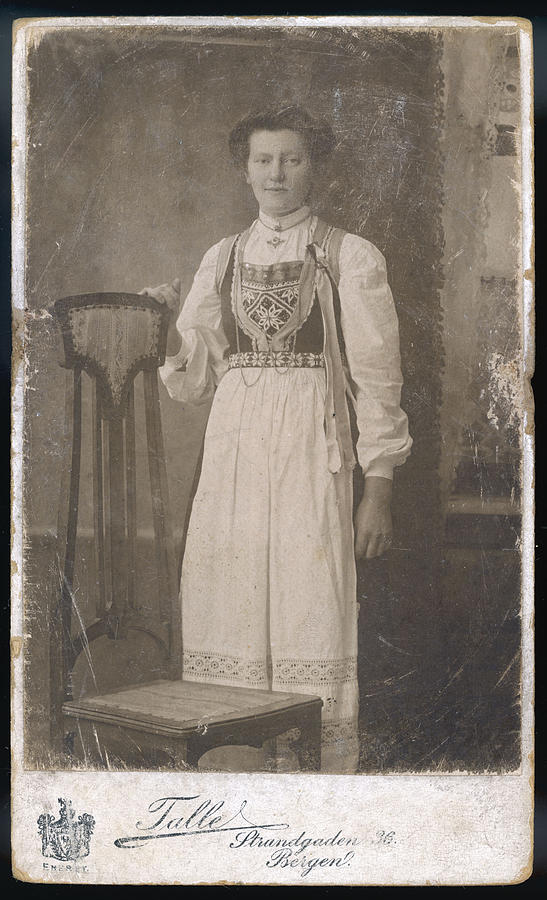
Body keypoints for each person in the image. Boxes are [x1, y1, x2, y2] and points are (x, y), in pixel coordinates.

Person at [141, 105, 412, 773]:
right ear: (244, 170)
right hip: (233, 445)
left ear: (313, 166)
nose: (276, 172)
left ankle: (308, 770)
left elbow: (377, 377)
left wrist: (377, 488)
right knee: (228, 590)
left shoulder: (349, 253)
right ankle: (232, 768)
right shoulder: (221, 255)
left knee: (307, 594)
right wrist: (162, 332)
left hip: (310, 445)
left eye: (291, 158)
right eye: (263, 160)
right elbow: (194, 378)